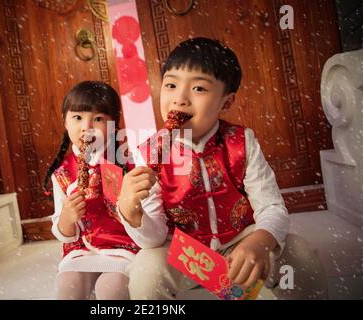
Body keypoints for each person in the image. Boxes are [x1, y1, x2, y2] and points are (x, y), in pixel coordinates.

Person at [117, 38, 327, 300]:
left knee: (299, 255)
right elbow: (153, 239)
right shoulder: (148, 153)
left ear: (226, 103)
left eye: (198, 89)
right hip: (184, 253)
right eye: (171, 85)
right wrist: (132, 212)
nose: (179, 99)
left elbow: (272, 207)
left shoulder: (242, 141)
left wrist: (259, 241)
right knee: (147, 269)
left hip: (240, 244)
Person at [43, 81, 166, 300]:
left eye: (98, 119)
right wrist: (66, 219)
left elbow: (150, 218)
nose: (86, 126)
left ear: (113, 125)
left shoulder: (131, 163)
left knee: (109, 289)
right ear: (65, 121)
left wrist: (131, 206)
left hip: (124, 248)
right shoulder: (61, 173)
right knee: (67, 285)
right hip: (83, 249)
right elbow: (62, 230)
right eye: (77, 117)